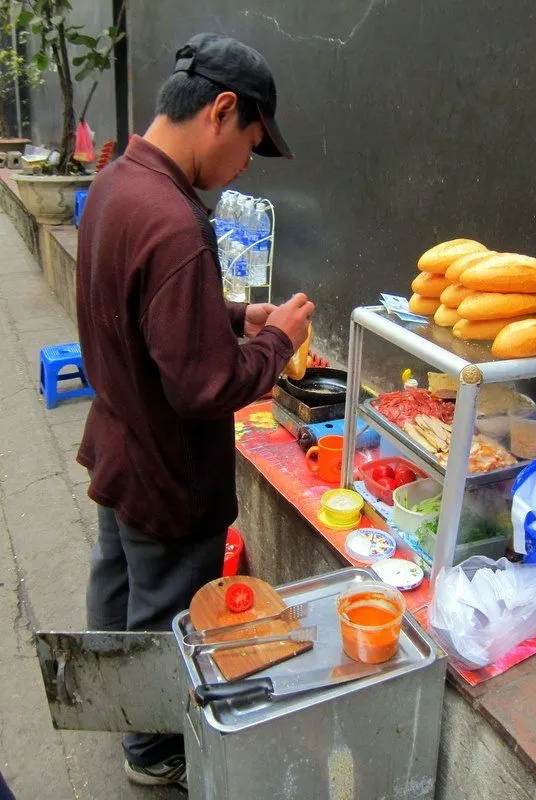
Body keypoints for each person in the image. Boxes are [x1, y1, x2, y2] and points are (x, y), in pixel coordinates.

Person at [76, 34, 314, 790]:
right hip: (167, 471)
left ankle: (118, 713)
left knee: (116, 588)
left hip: (119, 442)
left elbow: (147, 311)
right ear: (220, 110)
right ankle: (152, 751)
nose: (245, 164)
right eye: (249, 143)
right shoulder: (177, 222)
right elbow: (205, 388)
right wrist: (276, 340)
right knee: (166, 614)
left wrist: (233, 316)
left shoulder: (118, 183)